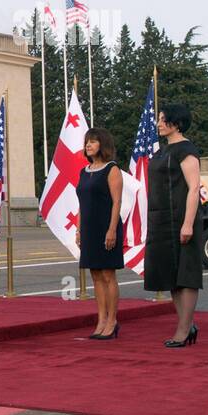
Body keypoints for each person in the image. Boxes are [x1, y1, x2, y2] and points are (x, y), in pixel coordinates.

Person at [145, 103, 203, 347]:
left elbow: (193, 188)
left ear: (176, 123)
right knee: (170, 274)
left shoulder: (186, 150)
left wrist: (188, 224)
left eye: (163, 119)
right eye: (158, 119)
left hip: (181, 218)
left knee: (186, 274)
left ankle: (183, 329)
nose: (158, 123)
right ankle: (186, 324)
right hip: (161, 220)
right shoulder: (161, 151)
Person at [76, 128, 125, 339]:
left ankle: (112, 321)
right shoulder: (84, 171)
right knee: (95, 275)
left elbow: (117, 202)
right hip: (88, 228)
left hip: (107, 227)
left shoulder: (112, 169)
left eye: (93, 141)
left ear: (102, 145)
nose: (88, 145)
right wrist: (79, 230)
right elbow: (81, 203)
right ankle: (101, 319)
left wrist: (112, 229)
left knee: (107, 274)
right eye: (87, 142)